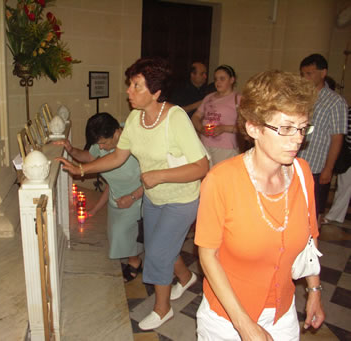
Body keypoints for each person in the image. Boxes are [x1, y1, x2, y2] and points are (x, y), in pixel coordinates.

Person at [57, 57, 209, 330]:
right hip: (154, 199)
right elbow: (117, 157)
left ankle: (162, 310)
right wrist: (82, 169)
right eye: (130, 84)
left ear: (156, 92)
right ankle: (186, 279)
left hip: (182, 199)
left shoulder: (175, 119)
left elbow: (201, 166)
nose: (129, 90)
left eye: (136, 85)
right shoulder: (135, 120)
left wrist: (159, 175)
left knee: (158, 254)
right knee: (156, 246)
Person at [195, 70, 325, 340]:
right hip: (228, 318)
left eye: (302, 128)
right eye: (286, 128)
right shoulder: (221, 180)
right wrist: (244, 325)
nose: (298, 138)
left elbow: (311, 238)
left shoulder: (302, 173)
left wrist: (314, 291)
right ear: (253, 127)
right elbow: (208, 256)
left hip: (283, 313)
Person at [54, 113, 144, 282]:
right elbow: (89, 157)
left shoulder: (135, 142)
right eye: (98, 143)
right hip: (115, 196)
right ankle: (132, 256)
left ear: (117, 132)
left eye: (104, 143)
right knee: (117, 235)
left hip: (137, 197)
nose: (101, 148)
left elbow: (150, 177)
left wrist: (132, 197)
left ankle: (135, 261)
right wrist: (71, 150)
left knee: (128, 234)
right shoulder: (102, 144)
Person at [298, 54, 348, 222]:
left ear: (323, 72)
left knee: (312, 211)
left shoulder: (335, 102)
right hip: (295, 161)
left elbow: (337, 137)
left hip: (316, 166)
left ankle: (311, 245)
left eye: (309, 73)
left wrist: (329, 168)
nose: (305, 78)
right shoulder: (301, 97)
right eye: (303, 74)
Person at [191, 65, 241, 167]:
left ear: (232, 80)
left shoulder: (238, 99)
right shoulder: (209, 97)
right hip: (206, 144)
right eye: (216, 79)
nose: (218, 82)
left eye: (222, 79)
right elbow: (195, 117)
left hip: (226, 147)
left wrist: (223, 128)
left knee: (222, 179)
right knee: (207, 178)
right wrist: (201, 128)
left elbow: (246, 125)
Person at [325, 106, 351, 224]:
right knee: (344, 186)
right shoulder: (348, 110)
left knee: (344, 186)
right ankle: (335, 215)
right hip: (348, 154)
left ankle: (335, 215)